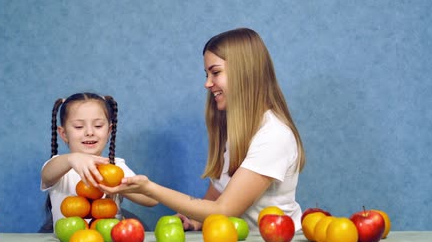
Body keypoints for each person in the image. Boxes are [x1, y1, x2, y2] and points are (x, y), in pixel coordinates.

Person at [99, 28, 306, 231]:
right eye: (207, 74)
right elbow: (217, 195)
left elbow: (223, 210)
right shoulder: (238, 131)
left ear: (245, 72)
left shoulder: (273, 135)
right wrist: (195, 220)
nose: (208, 83)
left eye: (215, 72)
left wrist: (150, 189)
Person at [39, 93, 157, 233]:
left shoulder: (115, 168)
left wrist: (119, 186)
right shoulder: (62, 167)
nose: (89, 132)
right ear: (63, 134)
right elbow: (47, 174)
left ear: (109, 131)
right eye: (78, 127)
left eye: (98, 125)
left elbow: (151, 200)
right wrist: (72, 159)